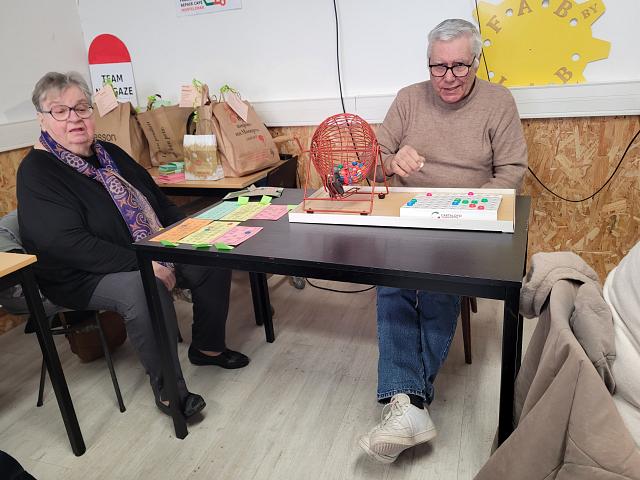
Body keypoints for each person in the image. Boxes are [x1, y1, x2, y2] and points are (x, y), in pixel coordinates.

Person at [17, 71, 250, 419]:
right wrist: (142, 262)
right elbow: (66, 244)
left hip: (142, 251)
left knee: (209, 256)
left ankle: (207, 348)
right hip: (81, 274)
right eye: (60, 111)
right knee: (145, 287)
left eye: (81, 107)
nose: (74, 118)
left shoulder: (109, 153)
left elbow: (158, 203)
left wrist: (191, 234)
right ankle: (170, 391)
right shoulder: (37, 171)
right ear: (42, 119)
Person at [360, 19, 528, 463]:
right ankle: (411, 404)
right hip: (409, 214)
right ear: (428, 62)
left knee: (438, 283)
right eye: (438, 67)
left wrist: (472, 206)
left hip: (466, 219)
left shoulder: (498, 101)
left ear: (476, 61)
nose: (448, 77)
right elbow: (371, 159)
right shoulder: (408, 98)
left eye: (459, 66)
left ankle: (406, 403)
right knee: (392, 281)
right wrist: (392, 160)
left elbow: (512, 171)